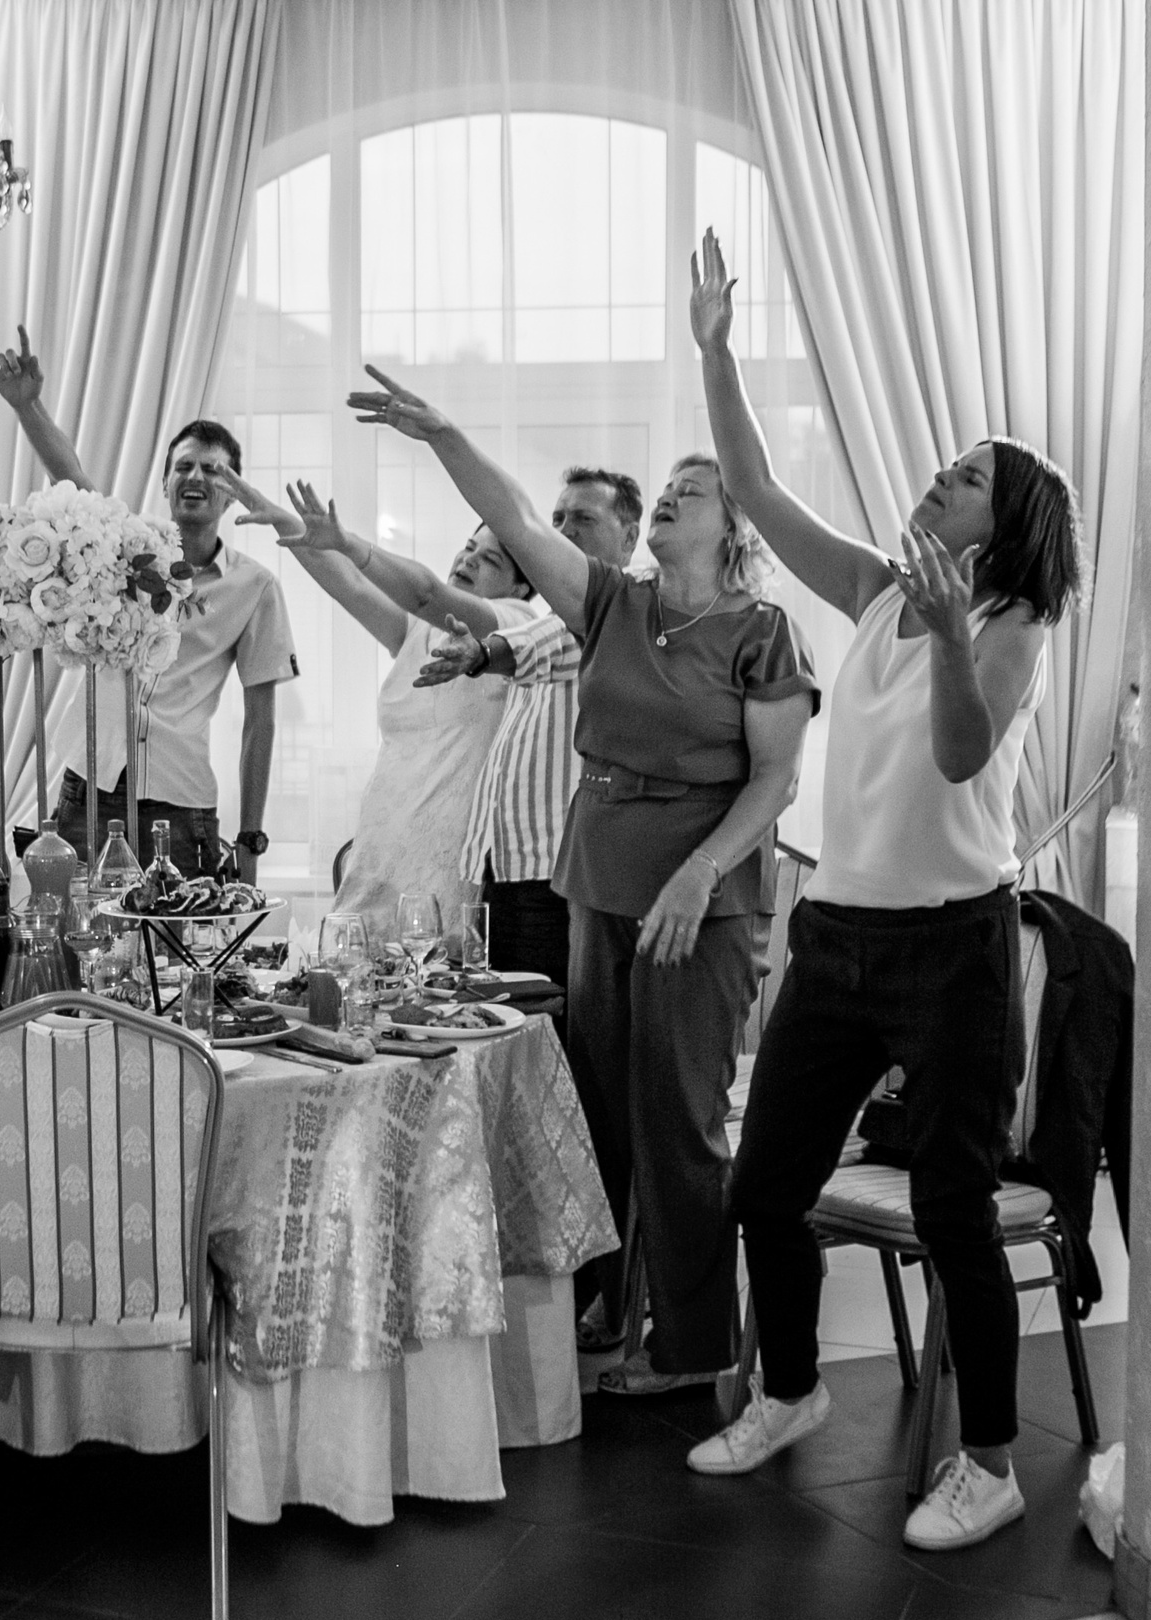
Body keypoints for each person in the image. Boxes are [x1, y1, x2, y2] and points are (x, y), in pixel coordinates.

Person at [678, 230, 1080, 1551]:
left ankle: (991, 1459)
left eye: (965, 477)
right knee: (764, 1184)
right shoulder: (869, 590)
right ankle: (791, 1390)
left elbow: (965, 753)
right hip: (839, 939)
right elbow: (751, 482)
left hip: (954, 948)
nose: (938, 477)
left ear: (1002, 521)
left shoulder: (1010, 627)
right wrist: (720, 347)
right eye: (945, 465)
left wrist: (955, 636)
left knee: (956, 1209)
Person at [350, 373, 816, 1404]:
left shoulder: (762, 632)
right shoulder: (611, 602)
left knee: (678, 1119)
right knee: (596, 1103)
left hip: (699, 891)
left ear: (733, 527)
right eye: (668, 490)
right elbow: (514, 515)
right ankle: (610, 1302)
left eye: (691, 493)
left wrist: (701, 872)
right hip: (595, 874)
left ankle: (692, 1342)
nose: (668, 502)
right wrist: (442, 432)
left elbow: (777, 778)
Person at [0, 326, 297, 879]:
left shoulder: (255, 588)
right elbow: (74, 480)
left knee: (175, 951)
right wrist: (29, 407)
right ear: (164, 483)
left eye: (214, 470)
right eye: (184, 466)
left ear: (233, 492)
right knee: (77, 940)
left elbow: (260, 722)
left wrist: (250, 840)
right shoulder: (123, 547)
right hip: (90, 787)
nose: (196, 476)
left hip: (181, 804)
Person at [213, 468, 535, 926]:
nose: (468, 560)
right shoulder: (419, 630)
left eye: (491, 560)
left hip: (447, 842)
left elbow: (423, 590)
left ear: (521, 587)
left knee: (429, 974)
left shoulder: (515, 622)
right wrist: (284, 521)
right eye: (468, 547)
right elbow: (351, 586)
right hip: (385, 832)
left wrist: (348, 542)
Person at [417, 466, 644, 984]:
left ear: (629, 538)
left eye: (584, 518)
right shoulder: (551, 614)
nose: (563, 530)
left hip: (556, 875)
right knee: (508, 1029)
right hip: (504, 870)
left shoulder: (625, 607)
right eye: (558, 517)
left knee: (551, 1036)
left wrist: (481, 653)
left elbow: (538, 649)